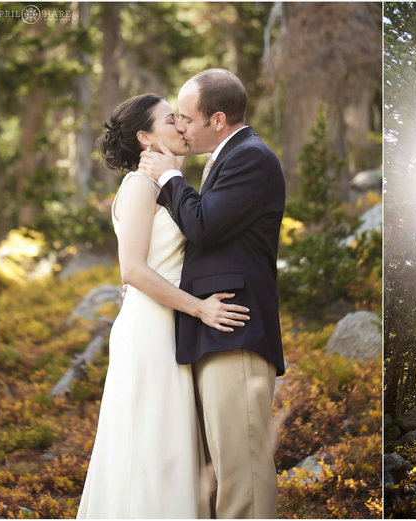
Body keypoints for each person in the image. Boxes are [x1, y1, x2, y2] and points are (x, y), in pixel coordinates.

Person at [78, 94, 250, 518]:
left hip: (169, 327)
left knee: (172, 447)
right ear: (144, 136)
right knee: (148, 446)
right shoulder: (139, 186)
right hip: (150, 331)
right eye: (171, 118)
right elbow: (133, 270)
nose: (181, 124)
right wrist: (200, 308)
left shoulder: (166, 186)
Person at [138, 68, 285, 518]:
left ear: (217, 119)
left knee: (243, 472)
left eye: (186, 117)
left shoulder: (251, 157)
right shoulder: (225, 159)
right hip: (210, 330)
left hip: (234, 330)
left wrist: (169, 179)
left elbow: (203, 226)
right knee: (216, 470)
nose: (180, 126)